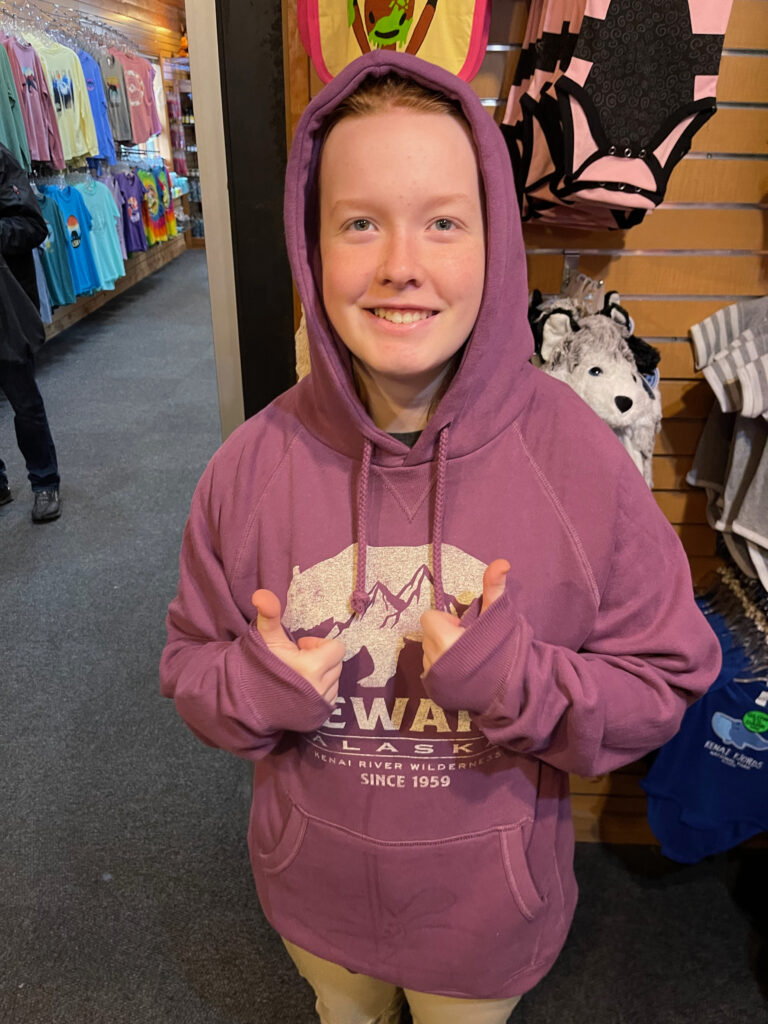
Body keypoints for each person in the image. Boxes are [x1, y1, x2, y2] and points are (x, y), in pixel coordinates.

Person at [160, 52, 721, 1023]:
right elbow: (189, 670)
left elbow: (667, 679)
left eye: (443, 221)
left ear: (497, 240)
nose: (400, 263)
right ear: (310, 243)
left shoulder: (579, 465)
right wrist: (257, 685)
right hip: (315, 906)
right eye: (360, 222)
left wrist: (520, 683)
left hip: (485, 925)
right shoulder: (248, 470)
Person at [0, 142, 61, 523]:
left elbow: (33, 226)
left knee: (24, 402)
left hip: (7, 310)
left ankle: (44, 482)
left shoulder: (1, 161)